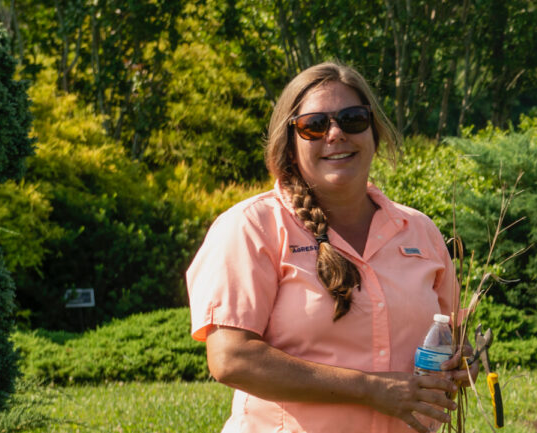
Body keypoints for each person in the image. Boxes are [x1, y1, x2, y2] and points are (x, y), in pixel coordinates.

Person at [186, 61, 477, 433]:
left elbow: (456, 338)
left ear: (374, 132)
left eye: (353, 119)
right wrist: (371, 390)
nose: (336, 134)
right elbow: (231, 358)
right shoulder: (250, 227)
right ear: (289, 144)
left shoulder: (419, 231)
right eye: (315, 125)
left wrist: (463, 363)